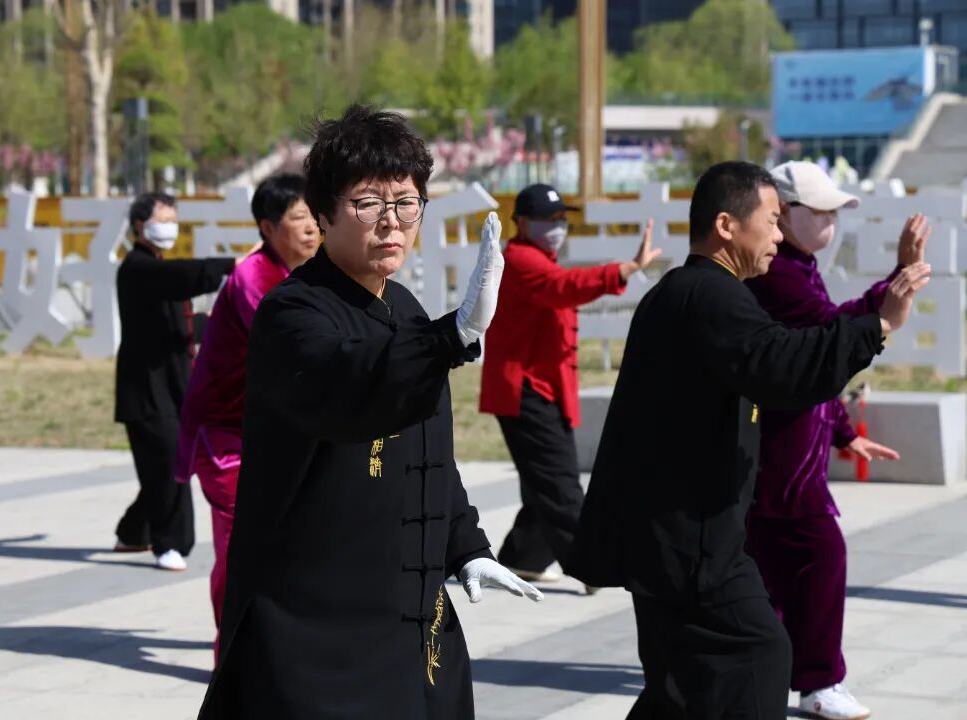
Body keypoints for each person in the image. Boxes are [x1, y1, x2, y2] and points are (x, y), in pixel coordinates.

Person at [197, 105, 542, 720]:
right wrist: (451, 335)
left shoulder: (404, 307)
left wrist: (466, 544)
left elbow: (427, 448)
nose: (392, 223)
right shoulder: (293, 313)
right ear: (323, 213)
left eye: (406, 203)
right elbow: (351, 384)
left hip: (412, 609)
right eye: (367, 204)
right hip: (318, 620)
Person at [564, 161, 930, 719]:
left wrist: (842, 423)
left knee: (679, 685)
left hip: (669, 534)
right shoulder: (711, 295)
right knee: (759, 654)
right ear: (727, 226)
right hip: (690, 540)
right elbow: (783, 364)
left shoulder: (684, 292)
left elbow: (775, 361)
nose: (779, 235)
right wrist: (879, 326)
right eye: (772, 220)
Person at [744, 161, 929, 720]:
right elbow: (832, 332)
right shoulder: (778, 274)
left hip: (791, 449)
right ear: (782, 213)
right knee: (821, 554)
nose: (830, 222)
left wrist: (844, 433)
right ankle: (820, 682)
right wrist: (894, 287)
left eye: (834, 213)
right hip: (784, 457)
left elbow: (817, 358)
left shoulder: (797, 265)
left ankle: (770, 671)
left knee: (770, 568)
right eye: (820, 211)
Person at [480, 182, 660, 587]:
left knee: (543, 483)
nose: (557, 226)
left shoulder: (540, 258)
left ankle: (522, 558)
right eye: (548, 219)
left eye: (562, 219)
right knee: (560, 485)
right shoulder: (520, 260)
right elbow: (563, 289)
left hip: (543, 389)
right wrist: (624, 269)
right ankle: (592, 565)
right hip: (525, 391)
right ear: (521, 222)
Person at [175, 173, 319, 653]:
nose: (311, 227)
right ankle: (233, 651)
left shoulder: (312, 274)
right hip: (225, 436)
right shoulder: (254, 277)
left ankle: (275, 641)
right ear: (267, 227)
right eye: (298, 217)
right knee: (242, 543)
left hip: (272, 434)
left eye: (314, 215)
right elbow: (296, 351)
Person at [113, 192, 238, 572]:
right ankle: (171, 544)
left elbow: (179, 322)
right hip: (145, 390)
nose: (169, 227)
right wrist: (228, 266)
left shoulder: (158, 269)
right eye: (162, 220)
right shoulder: (137, 269)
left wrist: (217, 323)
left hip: (174, 386)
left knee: (161, 467)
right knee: (170, 463)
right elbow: (178, 279)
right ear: (140, 225)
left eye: (173, 220)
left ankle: (133, 532)